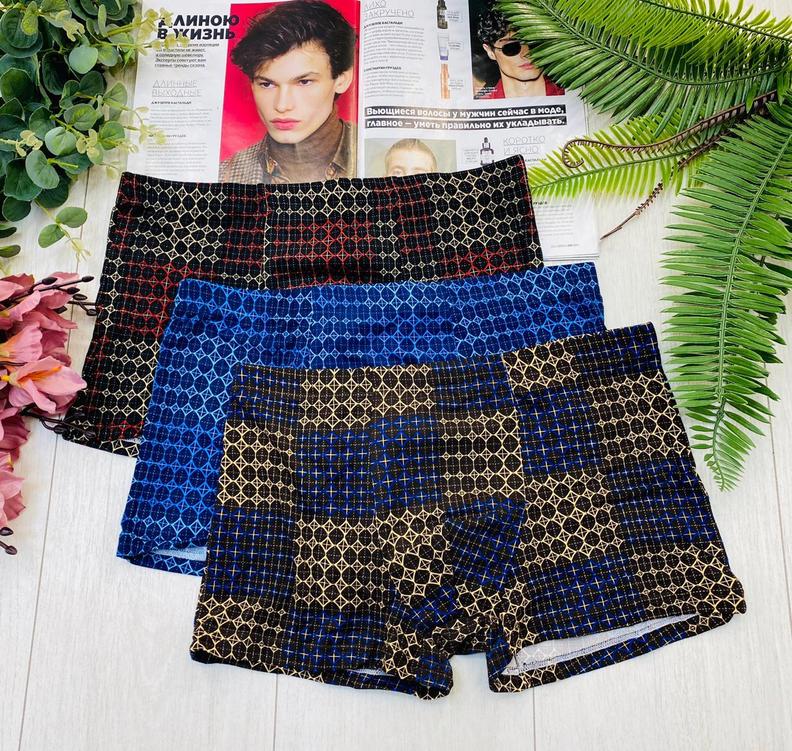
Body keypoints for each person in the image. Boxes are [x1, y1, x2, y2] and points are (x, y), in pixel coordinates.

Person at [220, 0, 357, 184]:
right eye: (267, 84)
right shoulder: (224, 174)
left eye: (304, 82)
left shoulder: (382, 155)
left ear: (342, 79)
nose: (282, 106)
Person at [474, 7, 564, 99]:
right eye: (511, 47)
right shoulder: (481, 103)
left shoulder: (569, 94)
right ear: (490, 51)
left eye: (534, 43)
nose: (527, 54)